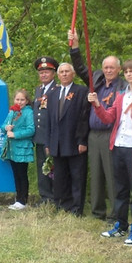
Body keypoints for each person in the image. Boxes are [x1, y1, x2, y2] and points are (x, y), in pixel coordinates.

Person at [88, 59, 132, 245]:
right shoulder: (121, 95)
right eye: (127, 71)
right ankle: (121, 224)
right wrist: (97, 104)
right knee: (120, 187)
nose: (129, 74)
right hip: (118, 145)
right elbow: (108, 117)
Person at [69, 31, 124, 221]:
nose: (108, 70)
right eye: (106, 67)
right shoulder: (97, 81)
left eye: (112, 67)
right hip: (93, 134)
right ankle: (97, 211)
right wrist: (74, 47)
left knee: (111, 174)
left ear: (119, 69)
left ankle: (116, 212)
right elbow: (81, 68)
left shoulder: (122, 87)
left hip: (111, 133)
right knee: (96, 174)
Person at [45, 62, 89, 216]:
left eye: (67, 71)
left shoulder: (82, 91)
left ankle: (76, 208)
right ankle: (61, 205)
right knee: (60, 178)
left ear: (73, 74)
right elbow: (49, 120)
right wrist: (48, 142)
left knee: (77, 177)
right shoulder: (52, 94)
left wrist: (83, 140)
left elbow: (84, 118)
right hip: (56, 143)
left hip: (75, 142)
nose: (64, 74)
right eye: (61, 72)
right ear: (58, 75)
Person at [0, 89, 35, 210]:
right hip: (12, 148)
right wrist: (6, 127)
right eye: (17, 99)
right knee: (15, 173)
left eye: (22, 100)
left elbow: (31, 130)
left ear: (27, 101)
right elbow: (2, 126)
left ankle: (23, 200)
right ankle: (18, 198)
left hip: (22, 148)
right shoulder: (12, 111)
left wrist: (16, 134)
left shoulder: (28, 112)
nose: (19, 102)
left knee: (22, 174)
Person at [32, 56, 59, 205]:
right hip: (39, 136)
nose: (43, 74)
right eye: (41, 72)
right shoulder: (38, 90)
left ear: (53, 73)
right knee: (41, 168)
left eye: (47, 71)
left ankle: (56, 198)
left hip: (52, 137)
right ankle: (45, 198)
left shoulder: (58, 90)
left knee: (53, 169)